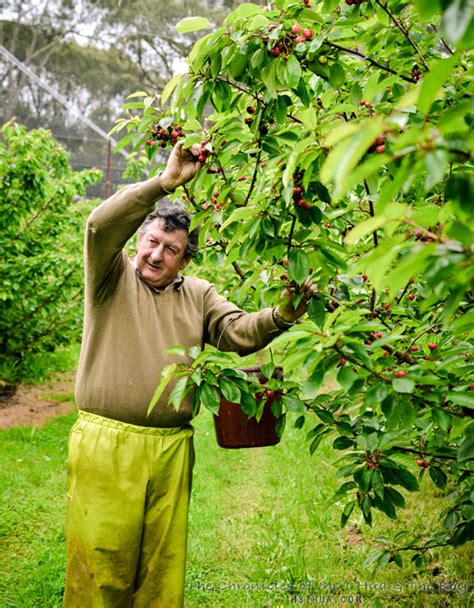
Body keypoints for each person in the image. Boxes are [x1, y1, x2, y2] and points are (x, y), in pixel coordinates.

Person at [64, 141, 314, 607]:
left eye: (171, 250)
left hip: (171, 450)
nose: (156, 255)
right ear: (139, 240)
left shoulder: (196, 294)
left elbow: (238, 331)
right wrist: (164, 182)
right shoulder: (109, 275)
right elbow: (98, 226)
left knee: (161, 575)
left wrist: (282, 313)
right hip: (106, 445)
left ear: (185, 260)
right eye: (151, 242)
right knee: (100, 568)